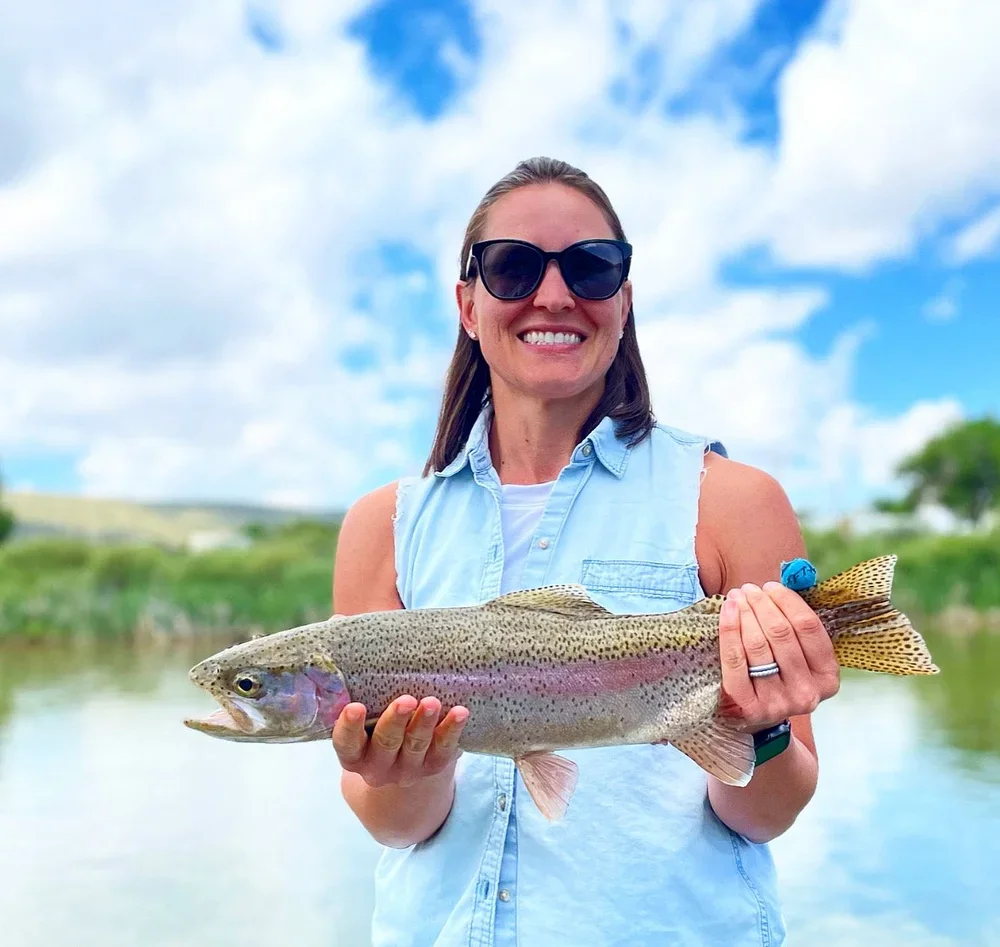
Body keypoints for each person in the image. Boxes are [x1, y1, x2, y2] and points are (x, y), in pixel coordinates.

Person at [331, 157, 840, 946]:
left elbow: (767, 811)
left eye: (592, 268)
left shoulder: (736, 500)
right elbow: (397, 828)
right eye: (513, 267)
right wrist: (409, 769)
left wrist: (767, 726)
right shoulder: (381, 524)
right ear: (468, 304)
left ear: (624, 301)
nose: (556, 294)